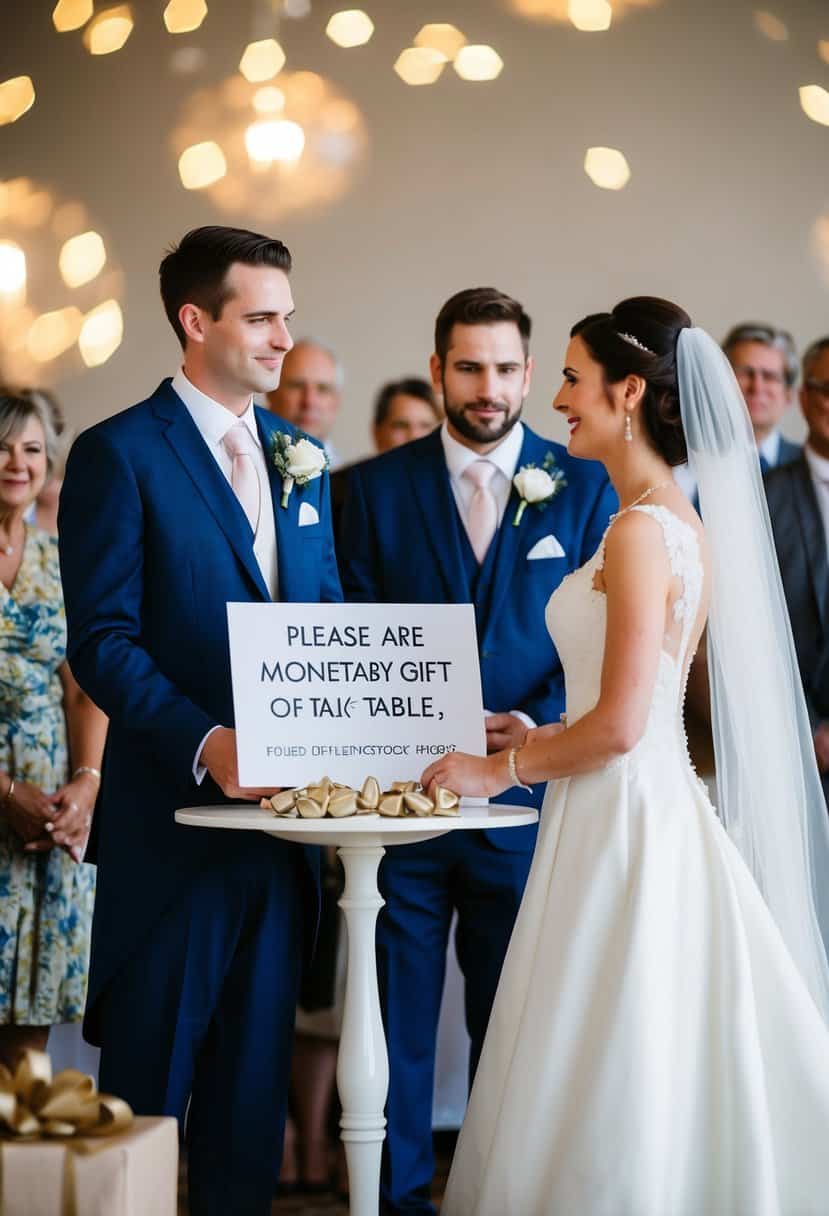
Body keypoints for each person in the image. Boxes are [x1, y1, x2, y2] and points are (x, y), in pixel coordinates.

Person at [427, 297, 829, 1216]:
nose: (558, 398)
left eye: (571, 378)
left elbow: (618, 727)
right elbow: (626, 710)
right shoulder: (663, 521)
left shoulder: (642, 530)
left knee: (610, 1040)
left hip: (623, 814)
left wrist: (499, 771)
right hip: (625, 801)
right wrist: (531, 734)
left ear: (629, 391)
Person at [58, 225, 342, 1216]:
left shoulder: (305, 458)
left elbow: (330, 628)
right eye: (260, 318)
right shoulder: (118, 454)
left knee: (247, 1116)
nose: (282, 341)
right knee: (141, 1110)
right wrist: (206, 742)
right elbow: (101, 639)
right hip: (171, 841)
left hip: (284, 843)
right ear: (195, 320)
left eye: (285, 318)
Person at [338, 286, 617, 1215]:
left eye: (504, 368)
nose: (487, 387)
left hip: (528, 809)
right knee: (396, 1027)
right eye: (468, 366)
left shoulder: (585, 484)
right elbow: (355, 634)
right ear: (436, 370)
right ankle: (398, 1202)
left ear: (531, 374)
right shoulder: (368, 490)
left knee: (518, 1031)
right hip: (402, 808)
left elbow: (609, 640)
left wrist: (533, 728)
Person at [0, 389, 106, 1070]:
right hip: (8, 796)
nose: (17, 462)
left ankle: (22, 1175)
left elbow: (85, 682)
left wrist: (87, 785)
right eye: (3, 447)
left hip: (49, 815)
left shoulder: (61, 556)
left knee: (31, 1020)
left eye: (32, 449)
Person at [766, 337, 829, 801]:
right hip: (796, 747)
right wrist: (807, 728)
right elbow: (752, 628)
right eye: (825, 387)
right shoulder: (762, 498)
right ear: (803, 397)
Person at [674, 320, 800, 502]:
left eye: (770, 376)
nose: (757, 387)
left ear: (788, 394)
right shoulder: (685, 456)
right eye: (745, 373)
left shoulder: (806, 466)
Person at [265, 338, 344, 468]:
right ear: (270, 392)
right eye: (296, 386)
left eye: (322, 389)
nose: (309, 402)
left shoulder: (356, 482)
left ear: (337, 400)